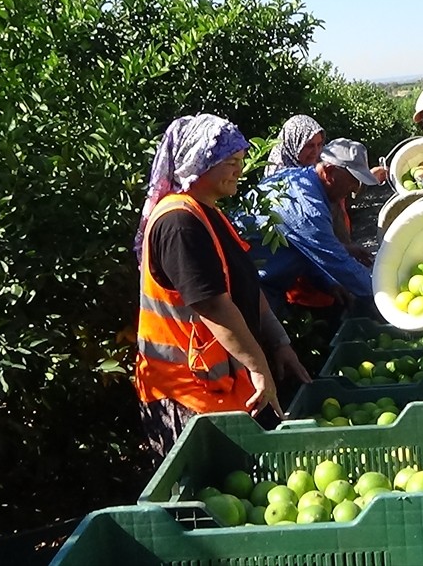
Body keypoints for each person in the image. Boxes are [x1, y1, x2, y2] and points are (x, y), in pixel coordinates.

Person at [132, 113, 311, 459]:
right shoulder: (179, 223)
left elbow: (245, 287)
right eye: (230, 162)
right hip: (184, 395)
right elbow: (213, 305)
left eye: (241, 161)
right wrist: (259, 367)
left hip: (217, 387)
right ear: (199, 162)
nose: (239, 170)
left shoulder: (208, 213)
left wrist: (279, 342)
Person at [238, 138, 381, 316]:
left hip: (264, 287)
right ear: (329, 171)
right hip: (249, 290)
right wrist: (384, 295)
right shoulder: (307, 207)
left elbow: (302, 246)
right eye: (353, 180)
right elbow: (339, 262)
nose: (354, 189)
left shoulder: (299, 179)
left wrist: (327, 280)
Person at [263, 114, 325, 178]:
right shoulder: (280, 180)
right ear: (293, 146)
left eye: (319, 144)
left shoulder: (322, 172)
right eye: (310, 145)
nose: (316, 151)